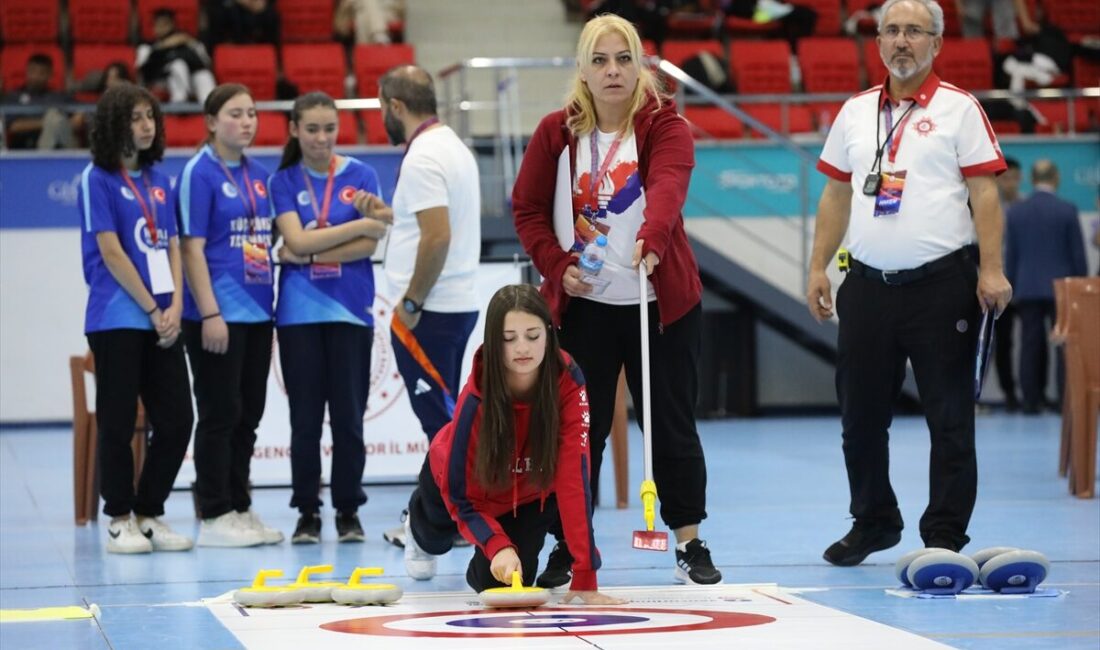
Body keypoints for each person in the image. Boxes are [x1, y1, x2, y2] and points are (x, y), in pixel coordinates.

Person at [513, 14, 722, 586]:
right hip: (586, 308)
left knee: (672, 422)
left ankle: (689, 540)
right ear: (582, 69)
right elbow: (527, 211)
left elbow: (668, 188)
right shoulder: (556, 132)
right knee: (584, 430)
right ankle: (570, 545)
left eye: (623, 58)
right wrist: (557, 269)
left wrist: (653, 242)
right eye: (600, 60)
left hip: (660, 305)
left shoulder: (664, 125)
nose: (612, 71)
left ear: (639, 66)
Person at [807, 0, 1012, 566]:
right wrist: (816, 265)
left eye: (914, 32)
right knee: (859, 418)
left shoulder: (960, 109)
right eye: (891, 31)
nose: (902, 41)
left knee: (949, 419)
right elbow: (836, 193)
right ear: (877, 42)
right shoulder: (853, 113)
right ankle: (873, 521)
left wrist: (991, 268)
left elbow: (986, 193)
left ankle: (944, 533)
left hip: (942, 288)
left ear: (936, 44)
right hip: (866, 288)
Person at [402, 284, 627, 605]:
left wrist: (586, 577)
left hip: (528, 493)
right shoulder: (477, 398)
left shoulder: (568, 381)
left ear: (549, 334)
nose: (522, 347)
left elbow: (574, 478)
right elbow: (461, 496)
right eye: (509, 339)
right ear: (494, 342)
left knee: (500, 587)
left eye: (533, 336)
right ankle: (416, 523)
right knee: (435, 539)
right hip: (457, 487)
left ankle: (489, 553)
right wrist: (497, 545)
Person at [269, 92, 392, 544]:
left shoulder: (361, 175)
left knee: (348, 418)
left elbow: (369, 242)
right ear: (295, 130)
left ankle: (347, 510)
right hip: (299, 315)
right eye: (312, 129)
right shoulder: (283, 181)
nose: (322, 139)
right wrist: (355, 227)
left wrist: (312, 247)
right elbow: (294, 243)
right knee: (304, 420)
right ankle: (307, 511)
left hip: (351, 312)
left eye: (329, 129)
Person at [79, 82, 195, 553]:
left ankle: (149, 511)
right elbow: (110, 251)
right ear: (114, 125)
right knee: (118, 420)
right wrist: (150, 307)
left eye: (150, 117)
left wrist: (174, 309)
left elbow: (172, 248)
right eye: (135, 118)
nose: (146, 126)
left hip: (163, 319)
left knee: (178, 419)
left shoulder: (160, 181)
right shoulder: (97, 179)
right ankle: (119, 517)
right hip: (118, 317)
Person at [374, 65, 481, 549]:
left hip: (430, 311)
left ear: (396, 106)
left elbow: (438, 236)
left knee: (440, 425)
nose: (382, 118)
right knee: (444, 420)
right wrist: (386, 217)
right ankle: (431, 514)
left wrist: (412, 301)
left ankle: (453, 519)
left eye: (381, 108)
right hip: (451, 306)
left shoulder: (421, 158)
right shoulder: (451, 147)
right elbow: (428, 225)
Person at [178, 83, 282, 547]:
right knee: (220, 413)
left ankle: (240, 504)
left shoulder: (260, 174)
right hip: (217, 314)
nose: (247, 121)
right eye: (236, 113)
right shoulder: (198, 173)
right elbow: (191, 248)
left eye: (252, 113)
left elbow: (264, 240)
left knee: (249, 415)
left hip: (259, 312)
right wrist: (209, 312)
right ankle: (215, 511)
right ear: (211, 121)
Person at [1005, 159, 1087, 414]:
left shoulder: (1016, 211)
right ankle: (1065, 400)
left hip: (1027, 287)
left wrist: (1011, 285)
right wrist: (1080, 286)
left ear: (1031, 178)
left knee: (1030, 345)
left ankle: (1030, 401)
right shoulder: (1067, 209)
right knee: (1064, 346)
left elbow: (1012, 255)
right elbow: (1077, 254)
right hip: (1061, 288)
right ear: (1057, 178)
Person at [137, 9, 216, 104]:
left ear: (172, 25)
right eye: (159, 25)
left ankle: (209, 107)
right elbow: (143, 73)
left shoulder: (188, 42)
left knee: (203, 75)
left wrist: (189, 42)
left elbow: (206, 64)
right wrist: (163, 46)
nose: (162, 28)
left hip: (191, 80)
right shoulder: (146, 47)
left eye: (165, 24)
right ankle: (179, 104)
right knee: (178, 65)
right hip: (162, 81)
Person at [1, 53, 77, 149]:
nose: (36, 76)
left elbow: (81, 112)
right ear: (26, 71)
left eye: (41, 73)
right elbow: (12, 126)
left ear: (50, 75)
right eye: (32, 71)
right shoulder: (14, 96)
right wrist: (47, 122)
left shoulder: (58, 96)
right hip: (25, 145)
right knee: (53, 117)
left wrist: (77, 118)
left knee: (55, 117)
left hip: (60, 144)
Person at [993, 157, 1022, 411]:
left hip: (1022, 282)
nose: (1009, 183)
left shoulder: (1026, 207)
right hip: (998, 283)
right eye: (1005, 178)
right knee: (1001, 342)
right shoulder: (987, 208)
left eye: (1014, 177)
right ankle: (1009, 393)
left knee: (1033, 341)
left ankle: (1033, 393)